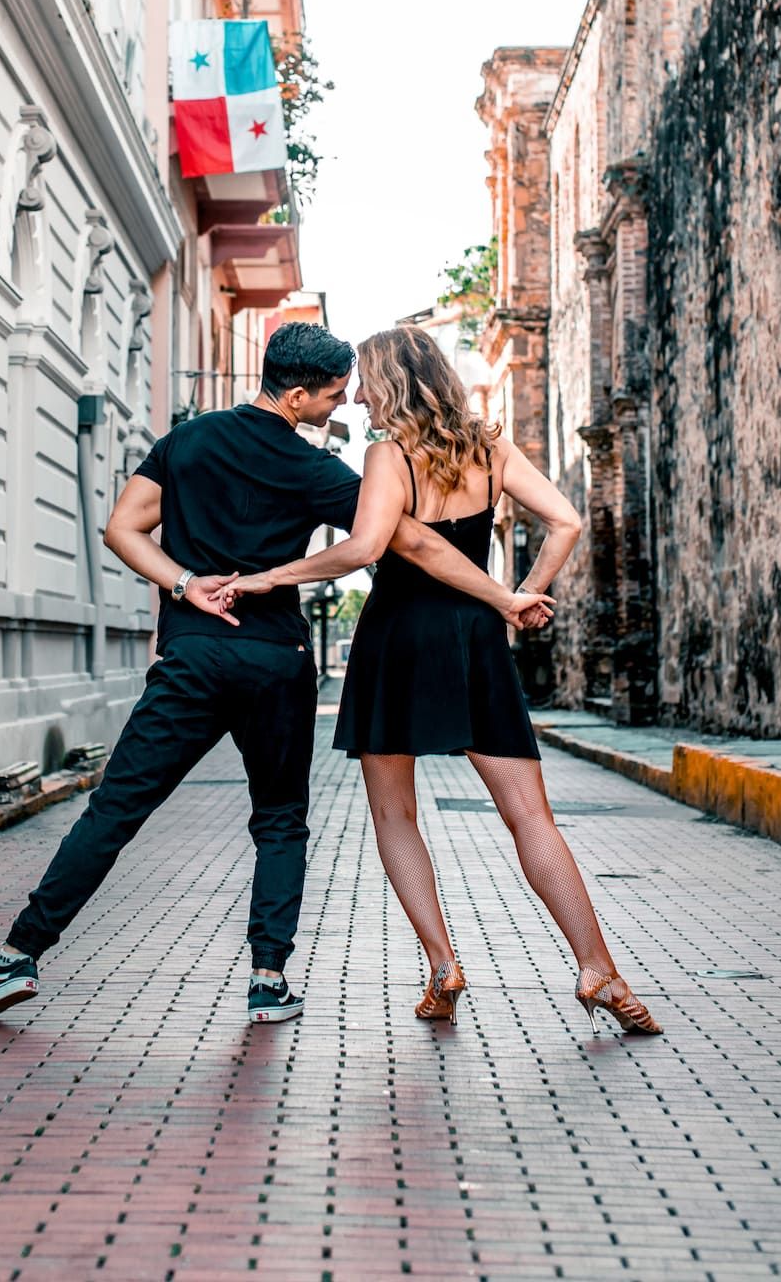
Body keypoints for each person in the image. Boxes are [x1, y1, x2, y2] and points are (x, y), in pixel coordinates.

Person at [0, 323, 553, 1027]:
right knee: (279, 821)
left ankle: (16, 957)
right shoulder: (317, 471)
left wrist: (186, 585)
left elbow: (122, 528)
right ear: (296, 394)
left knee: (115, 809)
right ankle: (268, 980)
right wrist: (499, 593)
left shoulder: (188, 442)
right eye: (332, 396)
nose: (341, 407)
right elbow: (402, 538)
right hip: (275, 661)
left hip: (192, 658)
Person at [218, 325, 662, 1037]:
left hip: (398, 634)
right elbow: (567, 521)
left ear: (392, 382)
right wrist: (523, 595)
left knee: (396, 814)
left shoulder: (387, 456)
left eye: (365, 381)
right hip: (475, 635)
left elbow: (365, 548)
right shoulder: (491, 451)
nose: (357, 395)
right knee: (530, 816)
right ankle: (598, 968)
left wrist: (271, 577)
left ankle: (442, 964)